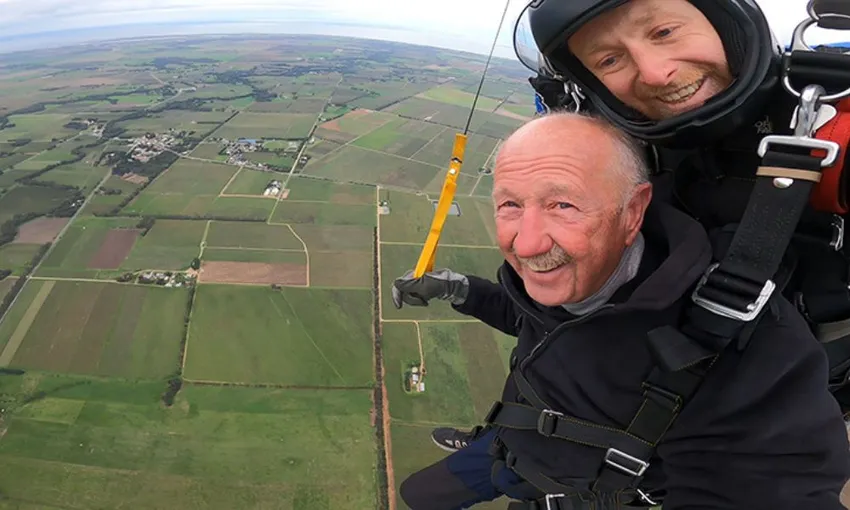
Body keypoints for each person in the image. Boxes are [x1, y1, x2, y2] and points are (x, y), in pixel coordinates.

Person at [431, 0, 850, 455]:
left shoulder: (832, 131)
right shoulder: (627, 143)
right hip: (647, 375)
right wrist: (466, 291)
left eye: (665, 31)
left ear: (725, 22)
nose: (654, 73)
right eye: (609, 60)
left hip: (776, 408)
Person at [392, 111, 850, 509]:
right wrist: (460, 290)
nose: (526, 242)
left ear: (633, 212)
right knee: (416, 495)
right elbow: (533, 320)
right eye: (510, 204)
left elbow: (773, 482)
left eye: (563, 204)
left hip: (572, 489)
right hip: (507, 441)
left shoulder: (738, 340)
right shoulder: (578, 272)